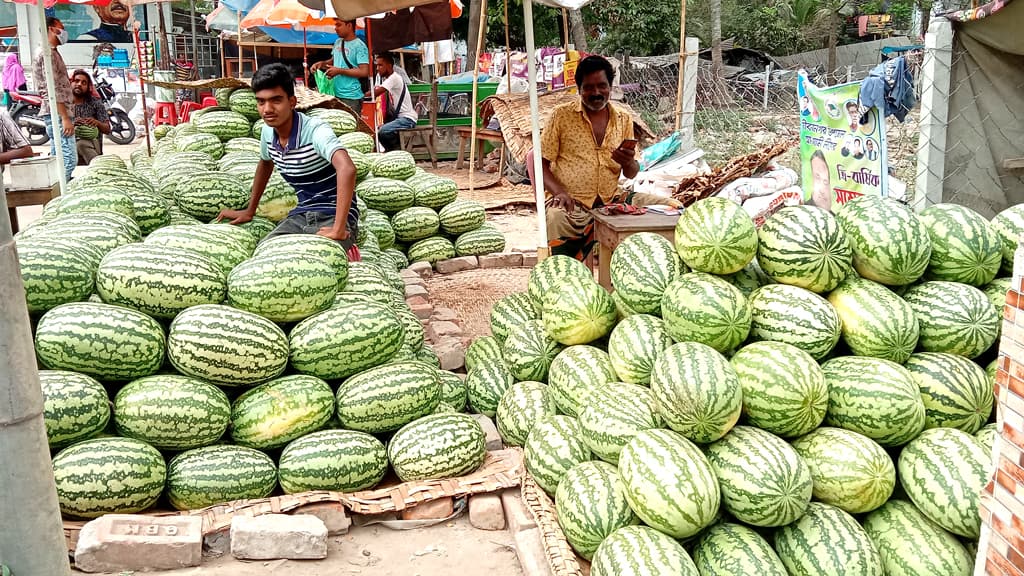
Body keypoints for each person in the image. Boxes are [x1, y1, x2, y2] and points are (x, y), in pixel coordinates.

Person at [528, 55, 681, 260]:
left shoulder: (623, 118)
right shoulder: (561, 115)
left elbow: (632, 172)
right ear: (579, 88)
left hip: (612, 201)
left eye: (602, 86)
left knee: (670, 207)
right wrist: (559, 192)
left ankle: (641, 268)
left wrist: (627, 162)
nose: (596, 92)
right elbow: (540, 163)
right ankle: (565, 276)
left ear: (610, 86)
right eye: (589, 87)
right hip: (570, 203)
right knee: (556, 219)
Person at [216, 63, 360, 254]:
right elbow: (265, 164)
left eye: (276, 100)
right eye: (261, 102)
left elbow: (347, 168)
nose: (267, 109)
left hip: (333, 215)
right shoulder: (267, 132)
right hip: (301, 215)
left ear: (292, 102)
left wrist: (339, 228)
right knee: (263, 253)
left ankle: (349, 251)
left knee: (319, 259)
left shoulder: (315, 131)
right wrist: (250, 210)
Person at [33, 17, 77, 181]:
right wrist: (64, 117)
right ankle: (62, 197)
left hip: (57, 112)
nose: (64, 31)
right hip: (57, 114)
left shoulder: (51, 52)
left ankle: (59, 193)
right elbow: (53, 88)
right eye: (61, 27)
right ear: (51, 29)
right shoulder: (47, 54)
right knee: (68, 160)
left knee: (59, 158)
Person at [310, 19, 369, 113]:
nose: (335, 28)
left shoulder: (360, 46)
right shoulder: (338, 42)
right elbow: (334, 61)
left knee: (350, 126)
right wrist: (321, 64)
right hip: (334, 94)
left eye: (338, 25)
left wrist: (340, 71)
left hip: (351, 97)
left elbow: (364, 71)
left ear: (349, 25)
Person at [368, 53, 417, 152]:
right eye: (376, 65)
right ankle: (393, 151)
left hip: (407, 119)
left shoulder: (394, 78)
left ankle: (395, 151)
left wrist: (361, 96)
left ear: (389, 66)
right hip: (400, 118)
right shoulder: (386, 78)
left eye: (380, 65)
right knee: (379, 130)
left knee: (383, 131)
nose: (377, 68)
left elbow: (375, 93)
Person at [71, 70, 110, 166]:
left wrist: (96, 122)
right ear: (71, 83)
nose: (79, 84)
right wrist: (72, 123)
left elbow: (108, 129)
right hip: (69, 146)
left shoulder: (95, 103)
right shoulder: (63, 105)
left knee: (81, 144)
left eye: (84, 83)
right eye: (76, 81)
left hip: (92, 146)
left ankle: (99, 169)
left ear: (88, 87)